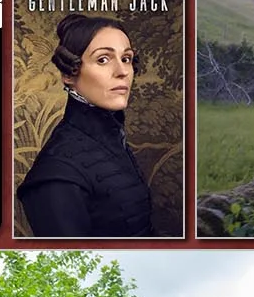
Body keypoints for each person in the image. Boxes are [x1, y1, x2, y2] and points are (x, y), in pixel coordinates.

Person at [18, 14, 156, 237]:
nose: (122, 71)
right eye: (103, 59)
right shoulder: (55, 175)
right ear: (68, 73)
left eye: (126, 59)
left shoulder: (114, 142)